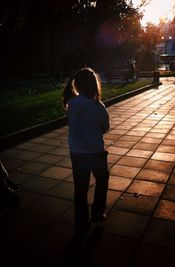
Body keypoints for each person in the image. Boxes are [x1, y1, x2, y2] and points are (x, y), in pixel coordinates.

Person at [62, 67, 110, 237]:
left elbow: (74, 126)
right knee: (102, 180)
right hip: (95, 152)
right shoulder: (98, 107)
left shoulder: (72, 104)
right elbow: (106, 127)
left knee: (80, 188)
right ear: (94, 85)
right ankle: (97, 213)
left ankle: (81, 222)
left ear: (78, 84)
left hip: (77, 152)